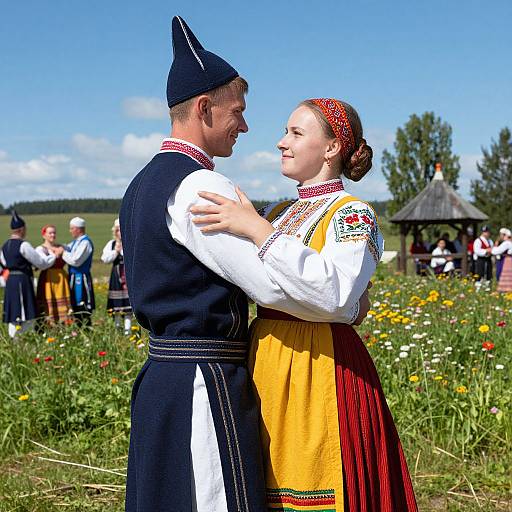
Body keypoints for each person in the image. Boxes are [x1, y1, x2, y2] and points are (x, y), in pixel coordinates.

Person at [120, 18, 371, 512]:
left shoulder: (141, 183)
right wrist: (346, 307)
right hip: (202, 380)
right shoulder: (202, 188)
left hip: (166, 377)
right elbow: (277, 288)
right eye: (237, 111)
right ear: (203, 108)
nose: (247, 126)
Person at [191, 99, 418, 510]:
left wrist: (259, 232)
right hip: (266, 359)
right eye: (285, 132)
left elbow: (335, 293)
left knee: (317, 477)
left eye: (296, 133)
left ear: (331, 148)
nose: (281, 142)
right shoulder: (277, 212)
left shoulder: (352, 214)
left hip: (321, 363)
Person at [1, 211, 55, 338]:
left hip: (10, 281)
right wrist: (52, 256)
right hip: (22, 281)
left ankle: (14, 339)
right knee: (26, 312)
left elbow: (4, 263)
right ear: (21, 229)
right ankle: (24, 339)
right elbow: (40, 263)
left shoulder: (5, 246)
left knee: (14, 313)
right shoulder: (23, 245)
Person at [36, 224, 73, 324]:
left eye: (54, 233)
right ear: (44, 235)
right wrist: (55, 254)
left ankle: (64, 324)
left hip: (61, 279)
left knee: (63, 303)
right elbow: (41, 263)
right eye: (50, 233)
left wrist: (62, 251)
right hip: (47, 279)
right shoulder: (40, 249)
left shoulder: (62, 247)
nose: (52, 235)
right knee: (48, 302)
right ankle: (49, 325)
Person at [101, 218, 132, 333]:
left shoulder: (130, 242)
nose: (120, 232)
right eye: (118, 230)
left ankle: (128, 330)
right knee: (117, 304)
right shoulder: (111, 244)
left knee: (128, 304)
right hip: (116, 275)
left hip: (128, 275)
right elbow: (104, 259)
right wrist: (116, 251)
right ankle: (117, 328)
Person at [62, 217, 95, 326]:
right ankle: (79, 327)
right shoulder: (76, 242)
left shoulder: (85, 243)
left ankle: (85, 327)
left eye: (72, 228)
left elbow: (76, 261)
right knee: (74, 305)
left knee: (82, 303)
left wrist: (62, 253)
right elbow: (67, 248)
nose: (70, 231)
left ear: (78, 229)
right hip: (73, 277)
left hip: (81, 277)